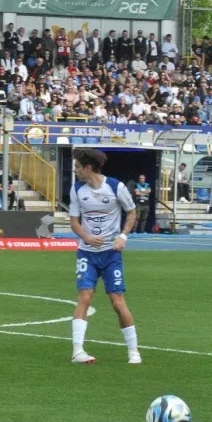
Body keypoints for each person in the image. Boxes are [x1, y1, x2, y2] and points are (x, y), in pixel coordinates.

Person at [68, 148, 141, 365]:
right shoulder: (77, 189)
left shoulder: (115, 186)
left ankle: (133, 350)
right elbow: (73, 221)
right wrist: (86, 237)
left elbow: (132, 212)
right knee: (84, 297)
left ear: (88, 168)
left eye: (77, 167)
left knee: (117, 302)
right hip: (87, 253)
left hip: (111, 254)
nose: (75, 171)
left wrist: (123, 237)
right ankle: (77, 351)